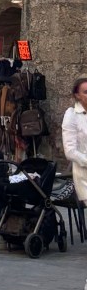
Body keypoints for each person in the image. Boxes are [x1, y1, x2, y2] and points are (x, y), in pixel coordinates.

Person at [61, 75, 87, 207]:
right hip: (84, 173)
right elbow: (70, 151)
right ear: (77, 95)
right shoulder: (72, 114)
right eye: (86, 92)